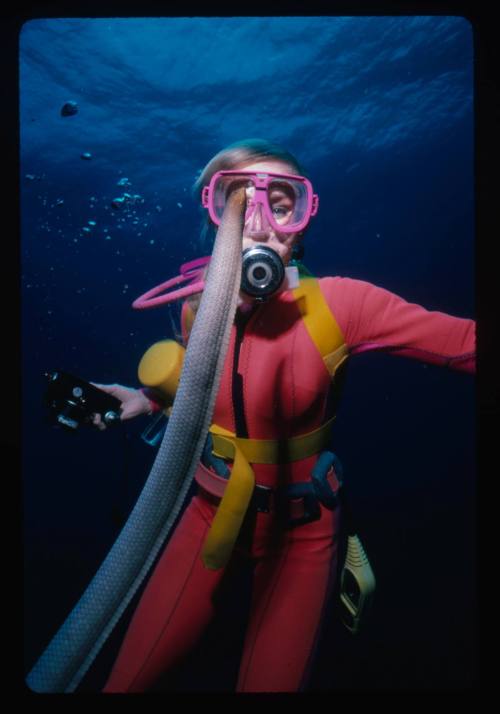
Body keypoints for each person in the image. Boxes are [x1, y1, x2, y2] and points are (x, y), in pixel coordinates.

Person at [95, 138, 475, 693]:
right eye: (235, 203)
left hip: (301, 533)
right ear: (215, 218)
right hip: (206, 513)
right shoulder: (194, 308)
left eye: (279, 203)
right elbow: (207, 388)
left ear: (302, 220)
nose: (258, 224)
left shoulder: (341, 305)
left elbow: (466, 343)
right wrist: (146, 399)